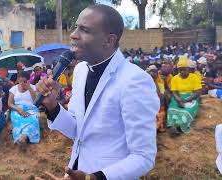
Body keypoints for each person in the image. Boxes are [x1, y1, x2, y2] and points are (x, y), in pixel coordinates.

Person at [36, 5, 159, 180]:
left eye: (84, 30)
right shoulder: (81, 71)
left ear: (108, 40)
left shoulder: (134, 81)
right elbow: (77, 131)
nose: (73, 34)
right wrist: (53, 106)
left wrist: (94, 178)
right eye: (76, 27)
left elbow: (143, 157)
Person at [167, 56, 202, 135]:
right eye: (180, 70)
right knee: (172, 109)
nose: (182, 71)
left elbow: (197, 92)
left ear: (188, 69)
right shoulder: (175, 78)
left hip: (191, 97)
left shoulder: (194, 77)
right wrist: (179, 100)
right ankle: (172, 126)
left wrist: (185, 100)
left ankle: (179, 126)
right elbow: (174, 92)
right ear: (178, 70)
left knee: (187, 110)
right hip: (178, 97)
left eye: (184, 69)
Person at [8, 71, 40, 150]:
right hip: (17, 109)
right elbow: (10, 103)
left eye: (24, 81)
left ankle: (23, 137)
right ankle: (23, 138)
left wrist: (29, 88)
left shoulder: (33, 88)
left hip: (31, 109)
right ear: (18, 80)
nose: (22, 83)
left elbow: (36, 101)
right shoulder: (14, 89)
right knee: (18, 119)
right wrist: (19, 109)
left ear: (29, 80)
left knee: (33, 119)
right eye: (20, 81)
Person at [147, 65, 166, 132]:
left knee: (160, 114)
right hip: (147, 105)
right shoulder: (144, 82)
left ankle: (157, 126)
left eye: (155, 72)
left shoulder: (160, 82)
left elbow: (161, 96)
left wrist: (155, 82)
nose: (153, 74)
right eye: (151, 72)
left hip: (157, 105)